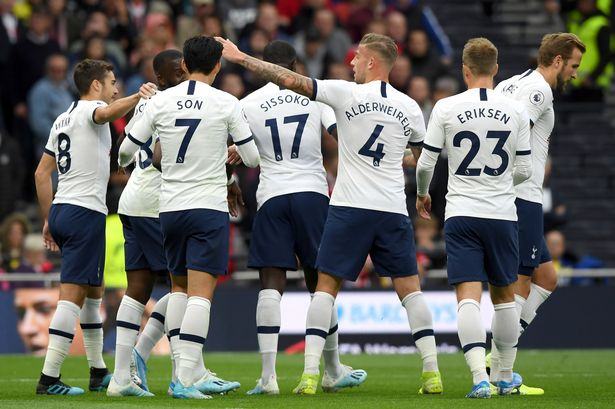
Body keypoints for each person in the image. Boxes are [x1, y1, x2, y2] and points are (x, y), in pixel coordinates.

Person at [216, 33, 442, 396]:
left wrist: (241, 59)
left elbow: (238, 148)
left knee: (296, 286)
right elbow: (415, 156)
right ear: (295, 63)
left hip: (286, 196)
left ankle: (277, 376)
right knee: (401, 289)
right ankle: (413, 371)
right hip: (330, 196)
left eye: (357, 57)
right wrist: (411, 180)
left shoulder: (318, 95)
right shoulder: (408, 106)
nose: (351, 62)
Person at [118, 35, 260, 400]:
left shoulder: (159, 101)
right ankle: (183, 379)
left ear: (185, 63)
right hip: (207, 207)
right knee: (201, 295)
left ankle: (180, 374)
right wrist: (229, 152)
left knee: (179, 288)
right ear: (217, 66)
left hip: (169, 209)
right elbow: (252, 158)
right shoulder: (226, 102)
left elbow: (126, 151)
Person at [237, 40, 364, 395]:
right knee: (320, 284)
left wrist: (232, 180)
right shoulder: (313, 95)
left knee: (270, 284)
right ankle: (333, 369)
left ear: (263, 66)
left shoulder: (247, 103)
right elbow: (341, 135)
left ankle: (268, 378)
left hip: (271, 195)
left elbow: (238, 151)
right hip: (312, 194)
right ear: (294, 65)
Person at [415, 37, 533, 398]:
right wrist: (499, 184)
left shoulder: (446, 107)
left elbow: (426, 163)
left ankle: (479, 378)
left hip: (462, 213)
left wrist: (422, 193)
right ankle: (504, 375)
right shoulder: (515, 110)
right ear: (495, 69)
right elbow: (525, 170)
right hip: (501, 213)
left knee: (468, 295)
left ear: (464, 70)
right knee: (505, 295)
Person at [33, 58, 156, 395]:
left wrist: (49, 217)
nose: (115, 89)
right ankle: (49, 378)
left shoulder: (62, 118)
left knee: (93, 291)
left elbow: (41, 173)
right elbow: (104, 114)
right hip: (84, 212)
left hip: (64, 209)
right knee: (71, 296)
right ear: (96, 85)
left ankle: (98, 371)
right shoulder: (92, 109)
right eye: (112, 82)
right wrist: (138, 97)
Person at [490, 33, 585, 393]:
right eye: (573, 65)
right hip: (522, 195)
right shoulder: (539, 91)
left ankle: (499, 354)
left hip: (508, 194)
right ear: (557, 60)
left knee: (547, 277)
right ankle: (502, 371)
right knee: (522, 279)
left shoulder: (511, 83)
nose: (575, 73)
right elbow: (512, 133)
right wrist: (517, 172)